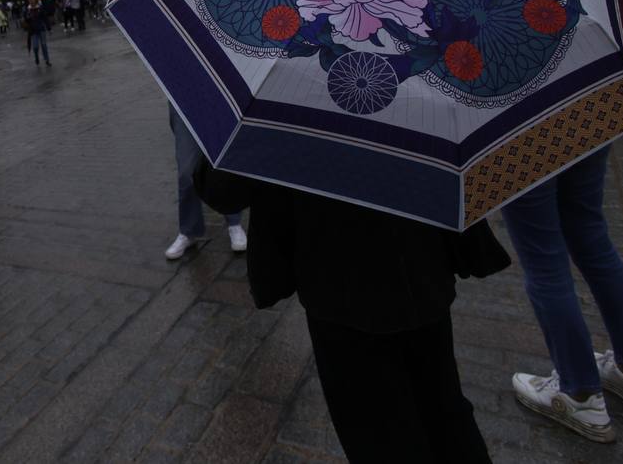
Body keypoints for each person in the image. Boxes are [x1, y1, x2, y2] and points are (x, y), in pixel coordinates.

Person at [196, 159, 508, 463]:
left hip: (342, 293)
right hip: (419, 273)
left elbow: (222, 192)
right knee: (444, 412)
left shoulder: (279, 108)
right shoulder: (420, 104)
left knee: (382, 431)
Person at [500, 147, 623, 442]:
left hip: (518, 139)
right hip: (581, 117)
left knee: (544, 264)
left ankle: (580, 393)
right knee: (592, 238)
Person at [166, 106, 245, 258]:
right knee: (186, 172)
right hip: (184, 102)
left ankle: (234, 222)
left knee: (225, 162)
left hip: (218, 102)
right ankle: (189, 231)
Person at [23, 0, 51, 67]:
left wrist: (49, 28)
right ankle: (36, 57)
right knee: (35, 47)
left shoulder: (40, 8)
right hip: (33, 31)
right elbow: (25, 19)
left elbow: (45, 18)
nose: (30, 1)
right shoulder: (27, 9)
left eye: (31, 0)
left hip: (41, 28)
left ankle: (47, 60)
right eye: (29, 0)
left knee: (44, 45)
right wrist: (27, 18)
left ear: (35, 0)